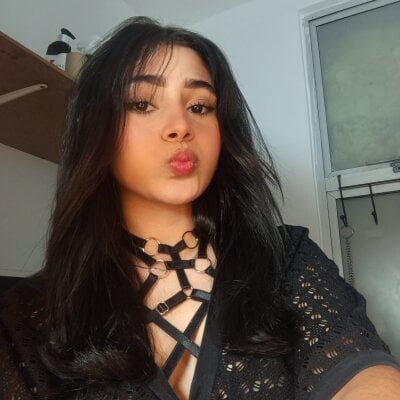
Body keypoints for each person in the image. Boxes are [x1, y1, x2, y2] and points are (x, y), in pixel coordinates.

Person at [0, 17, 399, 400]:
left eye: (200, 107)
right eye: (141, 103)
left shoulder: (287, 259)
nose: (181, 126)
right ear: (94, 127)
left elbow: (361, 372)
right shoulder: (26, 313)